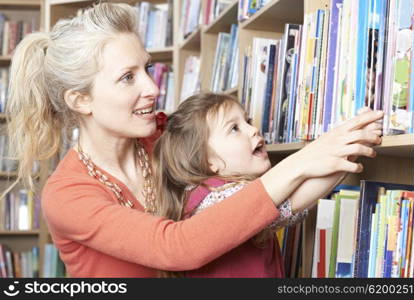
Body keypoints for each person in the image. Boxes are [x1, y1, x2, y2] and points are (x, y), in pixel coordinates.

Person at [5, 2, 383, 277]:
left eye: (148, 68)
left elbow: (253, 209)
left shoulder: (170, 136)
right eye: (127, 77)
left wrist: (344, 150)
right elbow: (176, 247)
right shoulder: (66, 195)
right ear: (80, 99)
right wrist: (304, 160)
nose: (153, 88)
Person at [153, 93, 311, 277]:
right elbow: (294, 202)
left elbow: (295, 208)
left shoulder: (206, 191)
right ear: (207, 161)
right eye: (234, 128)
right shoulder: (218, 197)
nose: (254, 129)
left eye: (248, 121)